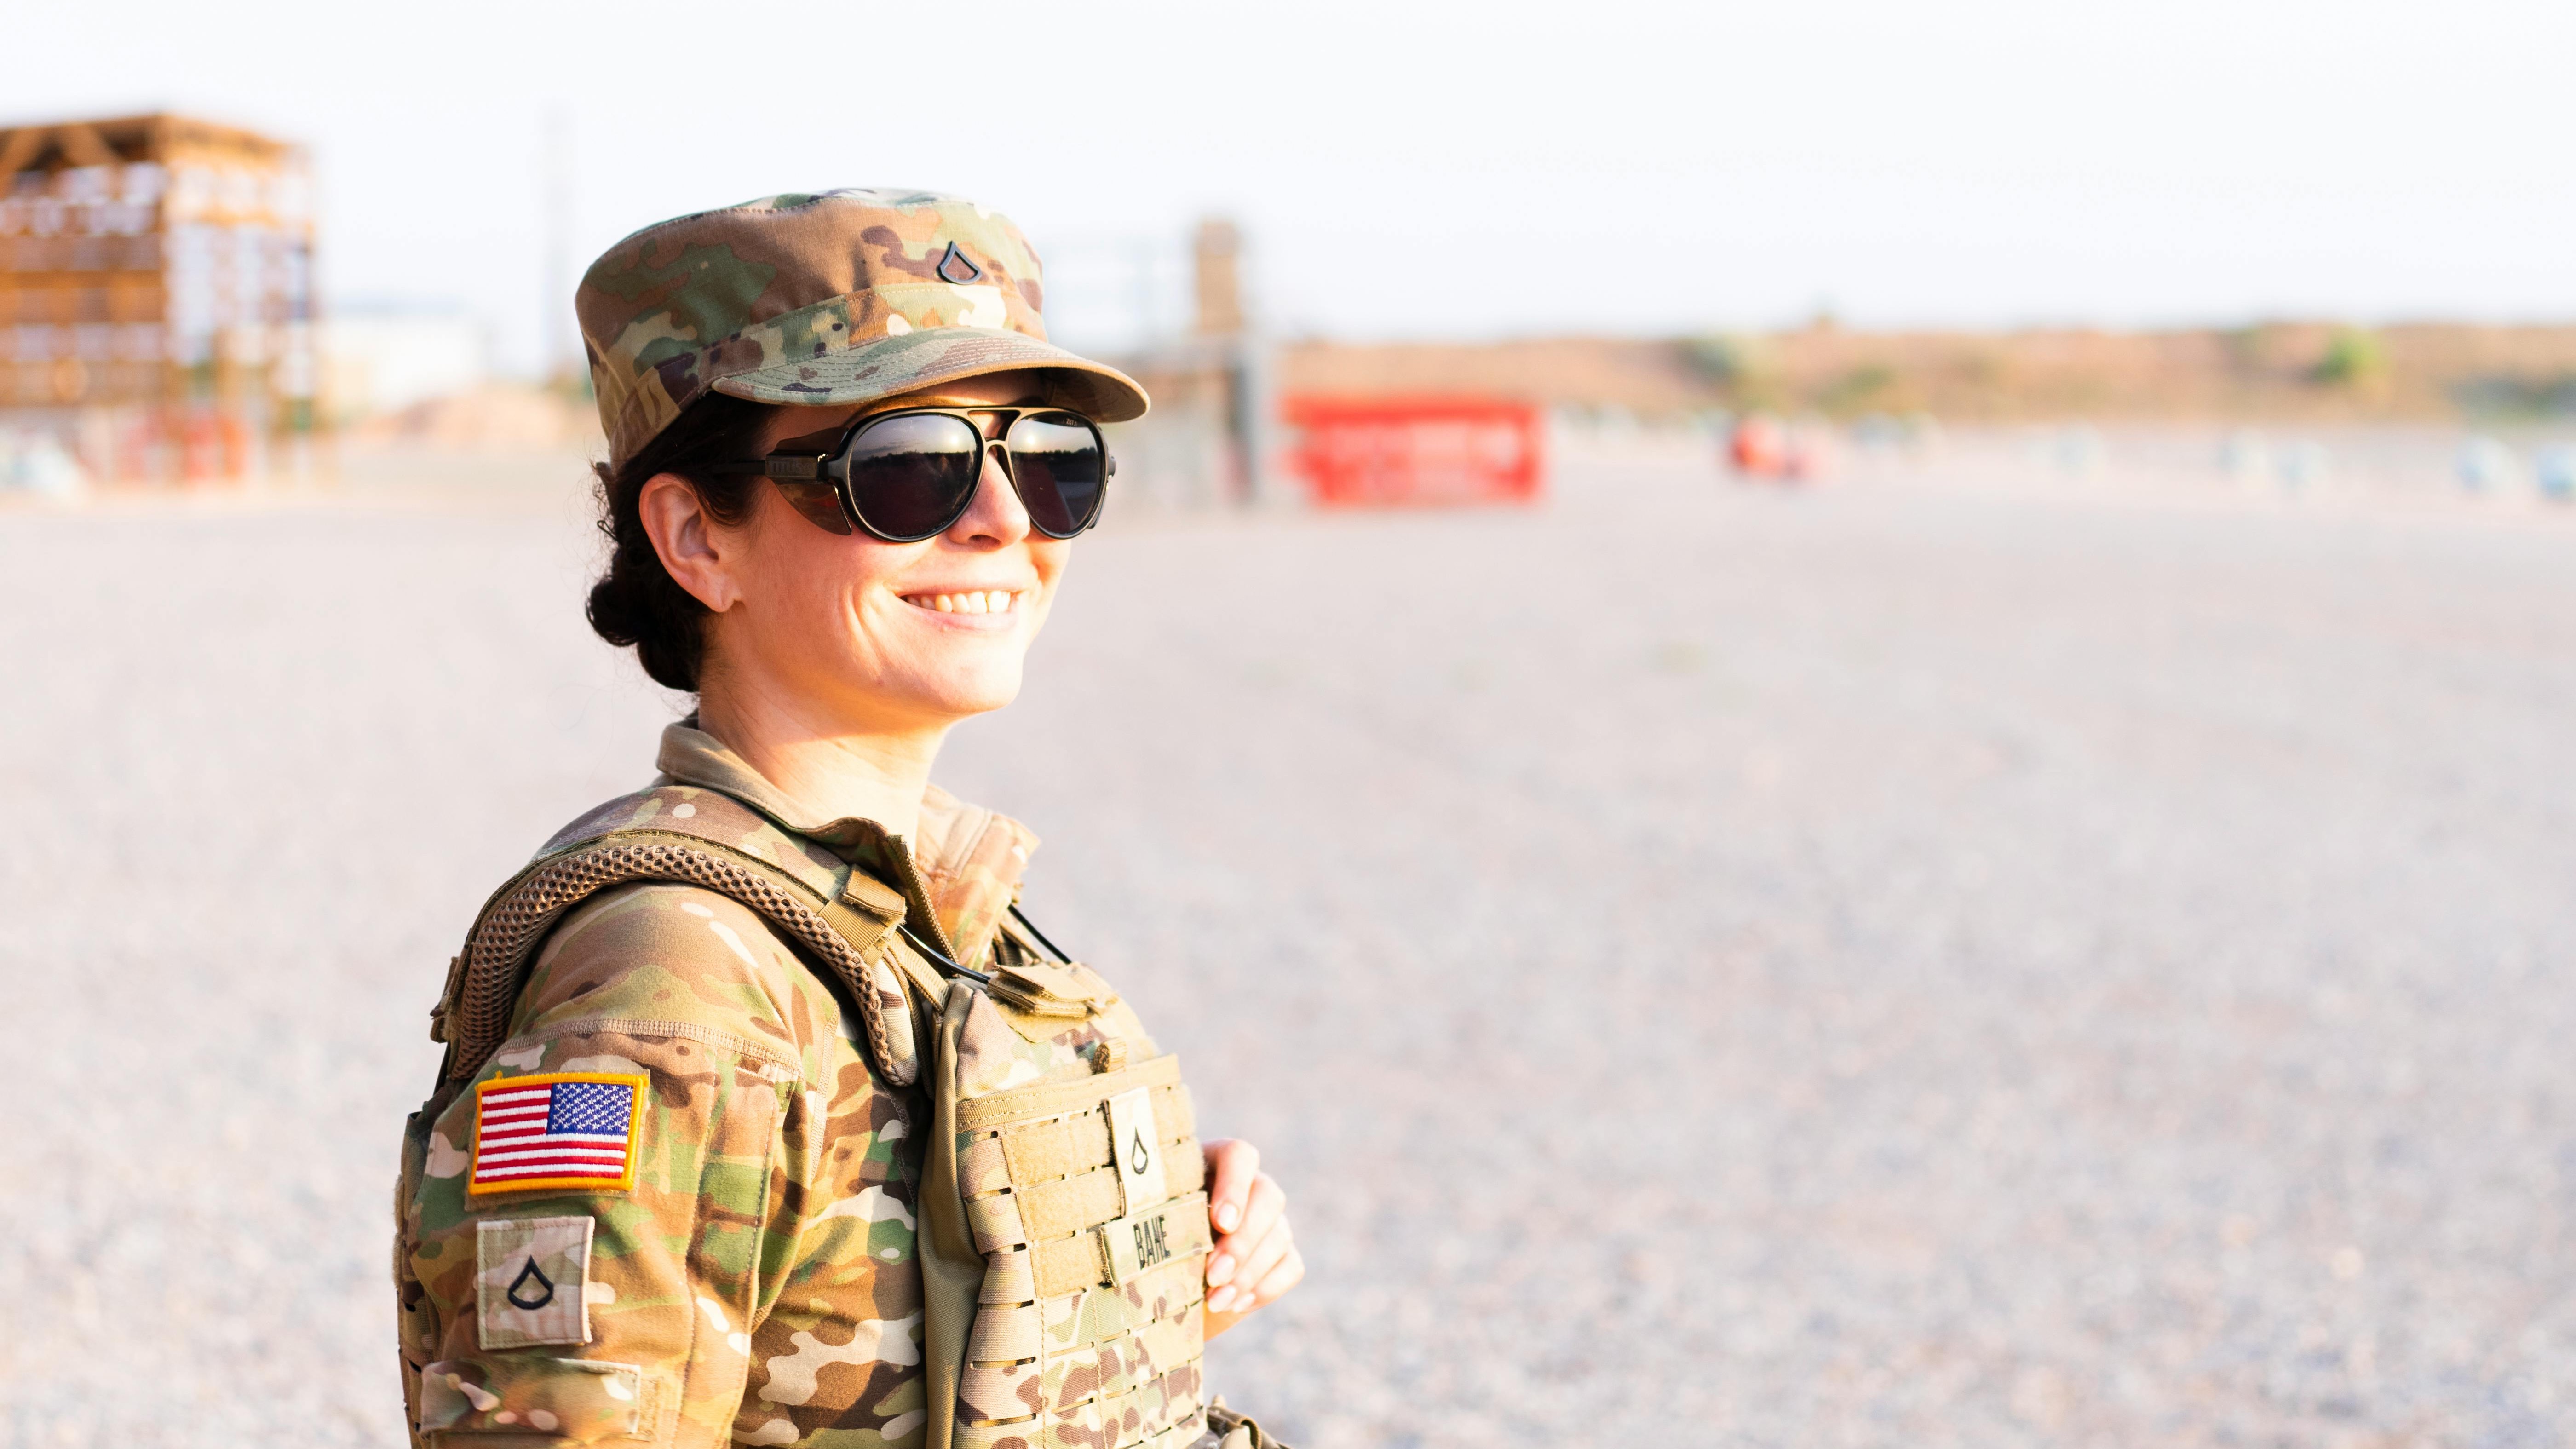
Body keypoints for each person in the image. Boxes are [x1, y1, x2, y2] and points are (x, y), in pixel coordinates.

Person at [393, 190, 1299, 1449]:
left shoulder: (920, 910)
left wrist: (1129, 1261)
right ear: (698, 539)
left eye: (1050, 460)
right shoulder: (677, 988)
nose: (1004, 521)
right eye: (908, 469)